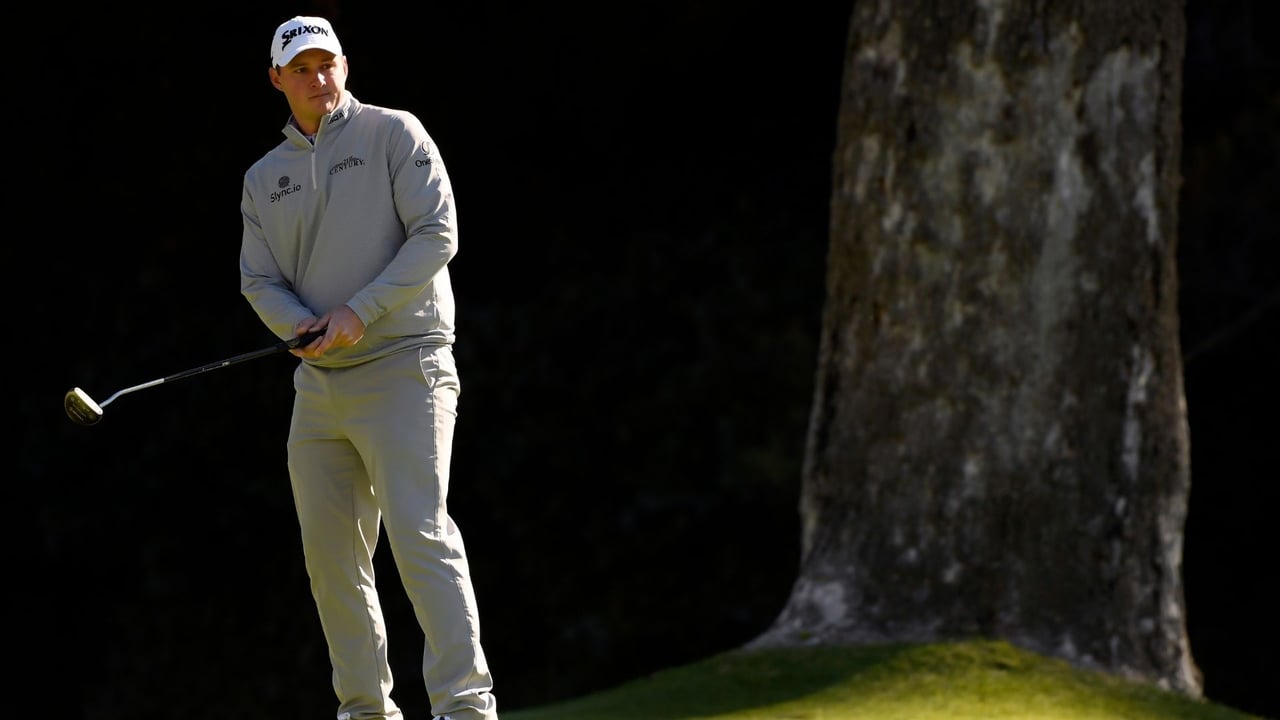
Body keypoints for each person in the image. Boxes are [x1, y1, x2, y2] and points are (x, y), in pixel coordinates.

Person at [238, 15, 498, 720]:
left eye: (327, 65)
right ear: (277, 80)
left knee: (420, 534)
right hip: (319, 388)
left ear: (345, 66)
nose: (317, 79)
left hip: (404, 365)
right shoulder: (265, 179)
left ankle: (465, 708)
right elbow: (258, 280)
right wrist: (298, 326)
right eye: (301, 69)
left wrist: (360, 311)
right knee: (332, 563)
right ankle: (364, 710)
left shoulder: (394, 133)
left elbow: (437, 232)